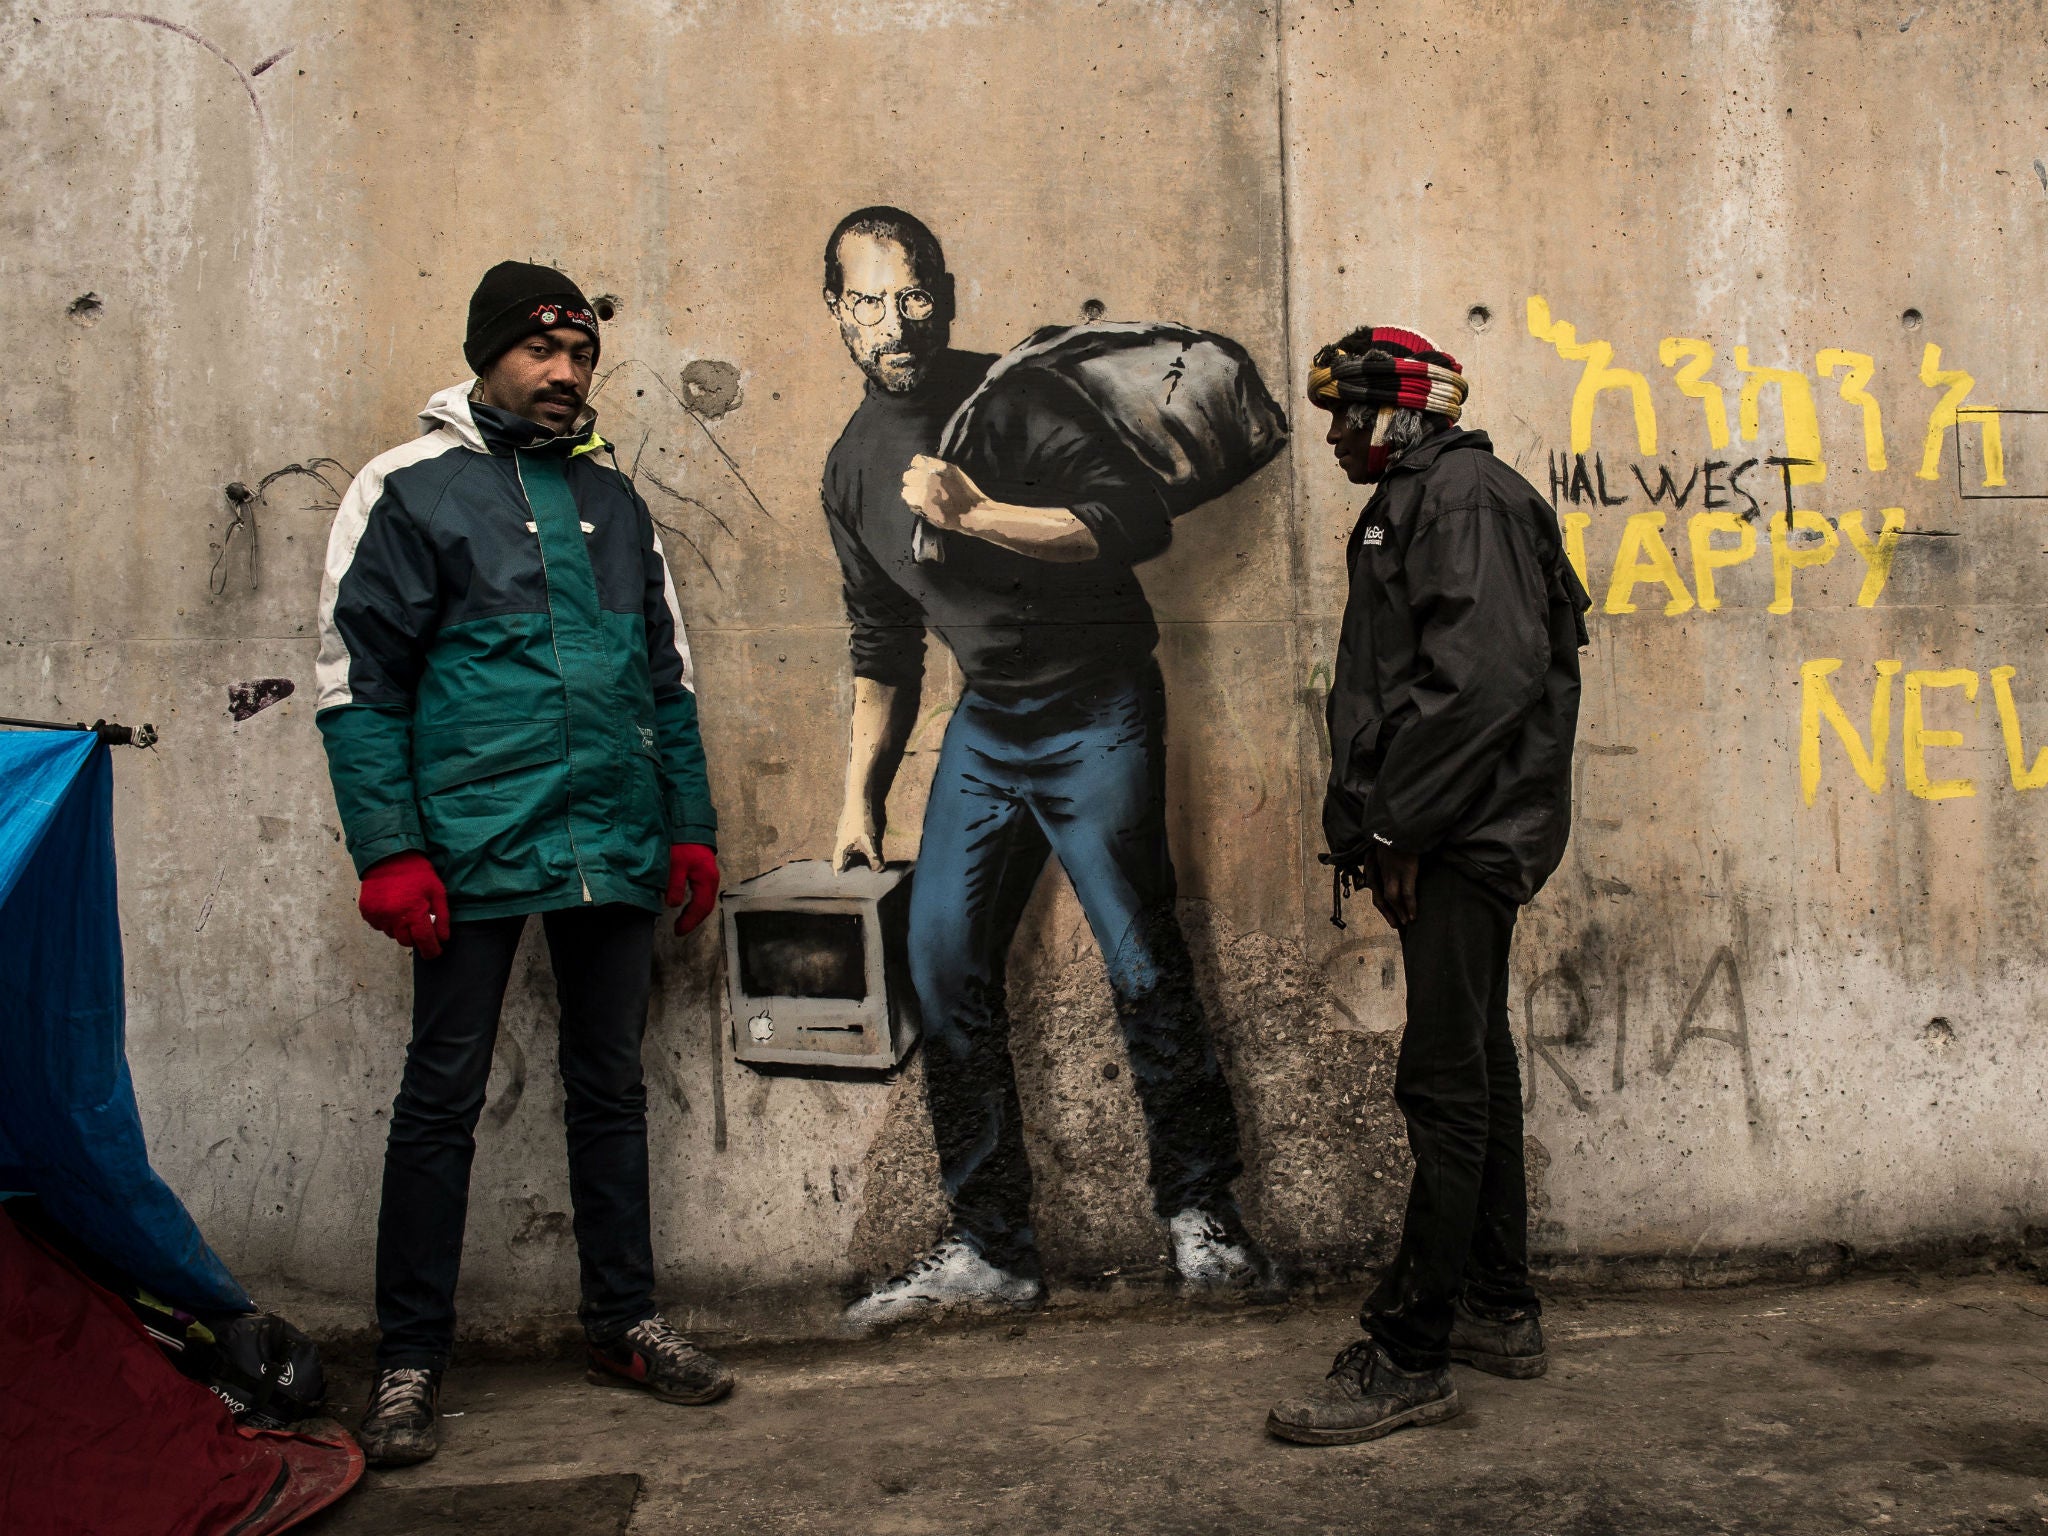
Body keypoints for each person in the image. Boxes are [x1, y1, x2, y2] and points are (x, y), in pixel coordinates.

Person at [815, 207, 1267, 1331]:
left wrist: (980, 513)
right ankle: (991, 1247)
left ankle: (1200, 1213)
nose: (893, 322)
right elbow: (880, 645)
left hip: (1097, 704)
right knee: (940, 964)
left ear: (946, 291)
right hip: (990, 725)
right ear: (835, 312)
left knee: (1140, 959)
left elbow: (1131, 523)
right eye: (866, 300)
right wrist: (857, 799)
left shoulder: (1012, 397)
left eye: (912, 293)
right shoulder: (849, 467)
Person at [315, 261, 733, 1467]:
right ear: (489, 353)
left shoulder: (613, 500)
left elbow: (666, 677)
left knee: (608, 1086)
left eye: (583, 358)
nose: (566, 376)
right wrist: (391, 851)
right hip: (471, 847)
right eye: (544, 353)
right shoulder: (404, 488)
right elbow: (359, 682)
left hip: (611, 840)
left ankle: (622, 1323)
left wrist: (687, 825)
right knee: (439, 1100)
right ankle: (408, 1361)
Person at [1266, 326, 1589, 1446]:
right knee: (1476, 1067)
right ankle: (1498, 1310)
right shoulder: (1427, 496)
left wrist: (1399, 825)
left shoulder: (1460, 500)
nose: (1336, 438)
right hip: (1450, 831)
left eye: (1348, 416)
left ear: (1405, 412)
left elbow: (1481, 683)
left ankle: (1408, 1354)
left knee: (1442, 1086)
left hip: (1458, 836)